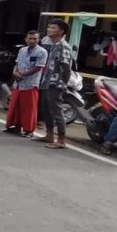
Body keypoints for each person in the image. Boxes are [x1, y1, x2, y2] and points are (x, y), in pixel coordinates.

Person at [35, 19, 75, 149]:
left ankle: (61, 140)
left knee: (56, 111)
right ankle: (49, 135)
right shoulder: (51, 44)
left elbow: (66, 68)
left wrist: (63, 83)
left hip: (56, 83)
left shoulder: (64, 46)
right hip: (46, 81)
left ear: (61, 31)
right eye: (49, 27)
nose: (49, 29)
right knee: (45, 109)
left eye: (53, 27)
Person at [4, 30, 47, 135]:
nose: (32, 40)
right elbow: (17, 64)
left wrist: (22, 74)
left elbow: (38, 67)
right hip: (18, 83)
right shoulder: (22, 50)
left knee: (29, 108)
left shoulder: (42, 52)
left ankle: (29, 130)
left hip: (30, 84)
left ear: (39, 40)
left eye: (35, 39)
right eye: (30, 38)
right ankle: (16, 126)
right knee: (15, 106)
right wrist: (15, 73)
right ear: (26, 39)